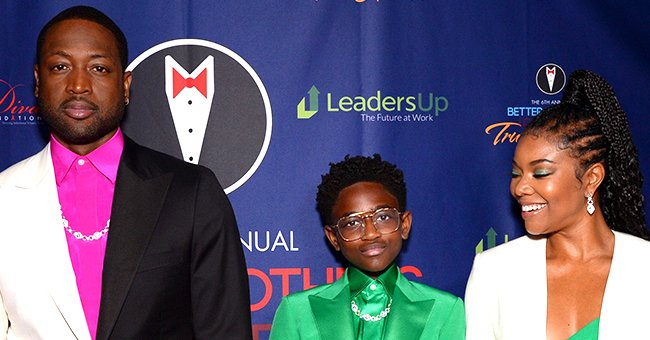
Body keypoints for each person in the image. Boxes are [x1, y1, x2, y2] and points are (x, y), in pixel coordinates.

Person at [0, 6, 252, 339]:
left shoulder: (191, 192)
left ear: (126, 85)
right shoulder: (4, 197)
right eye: (60, 67)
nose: (78, 85)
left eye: (99, 68)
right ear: (37, 81)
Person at [464, 70, 650, 340]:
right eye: (516, 174)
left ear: (591, 178)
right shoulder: (494, 271)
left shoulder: (644, 266)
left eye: (540, 173)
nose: (520, 188)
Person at [270, 154, 466, 339]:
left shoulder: (446, 310)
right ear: (334, 237)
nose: (371, 233)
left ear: (404, 225)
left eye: (383, 217)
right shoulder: (297, 310)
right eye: (352, 223)